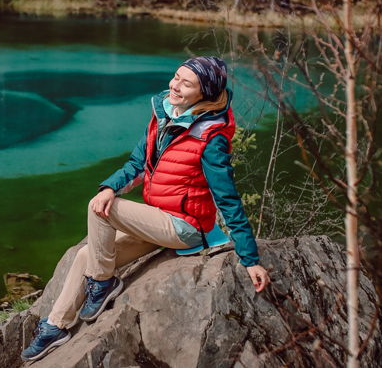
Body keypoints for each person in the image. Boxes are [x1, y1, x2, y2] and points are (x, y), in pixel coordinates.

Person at [20, 56, 271, 362]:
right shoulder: (164, 112)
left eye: (186, 83)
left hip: (184, 227)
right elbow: (137, 164)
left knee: (101, 209)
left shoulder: (211, 137)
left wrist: (250, 258)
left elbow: (227, 198)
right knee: (87, 253)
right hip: (158, 220)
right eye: (176, 77)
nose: (174, 85)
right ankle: (56, 326)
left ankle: (102, 283)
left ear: (204, 92)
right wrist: (111, 186)